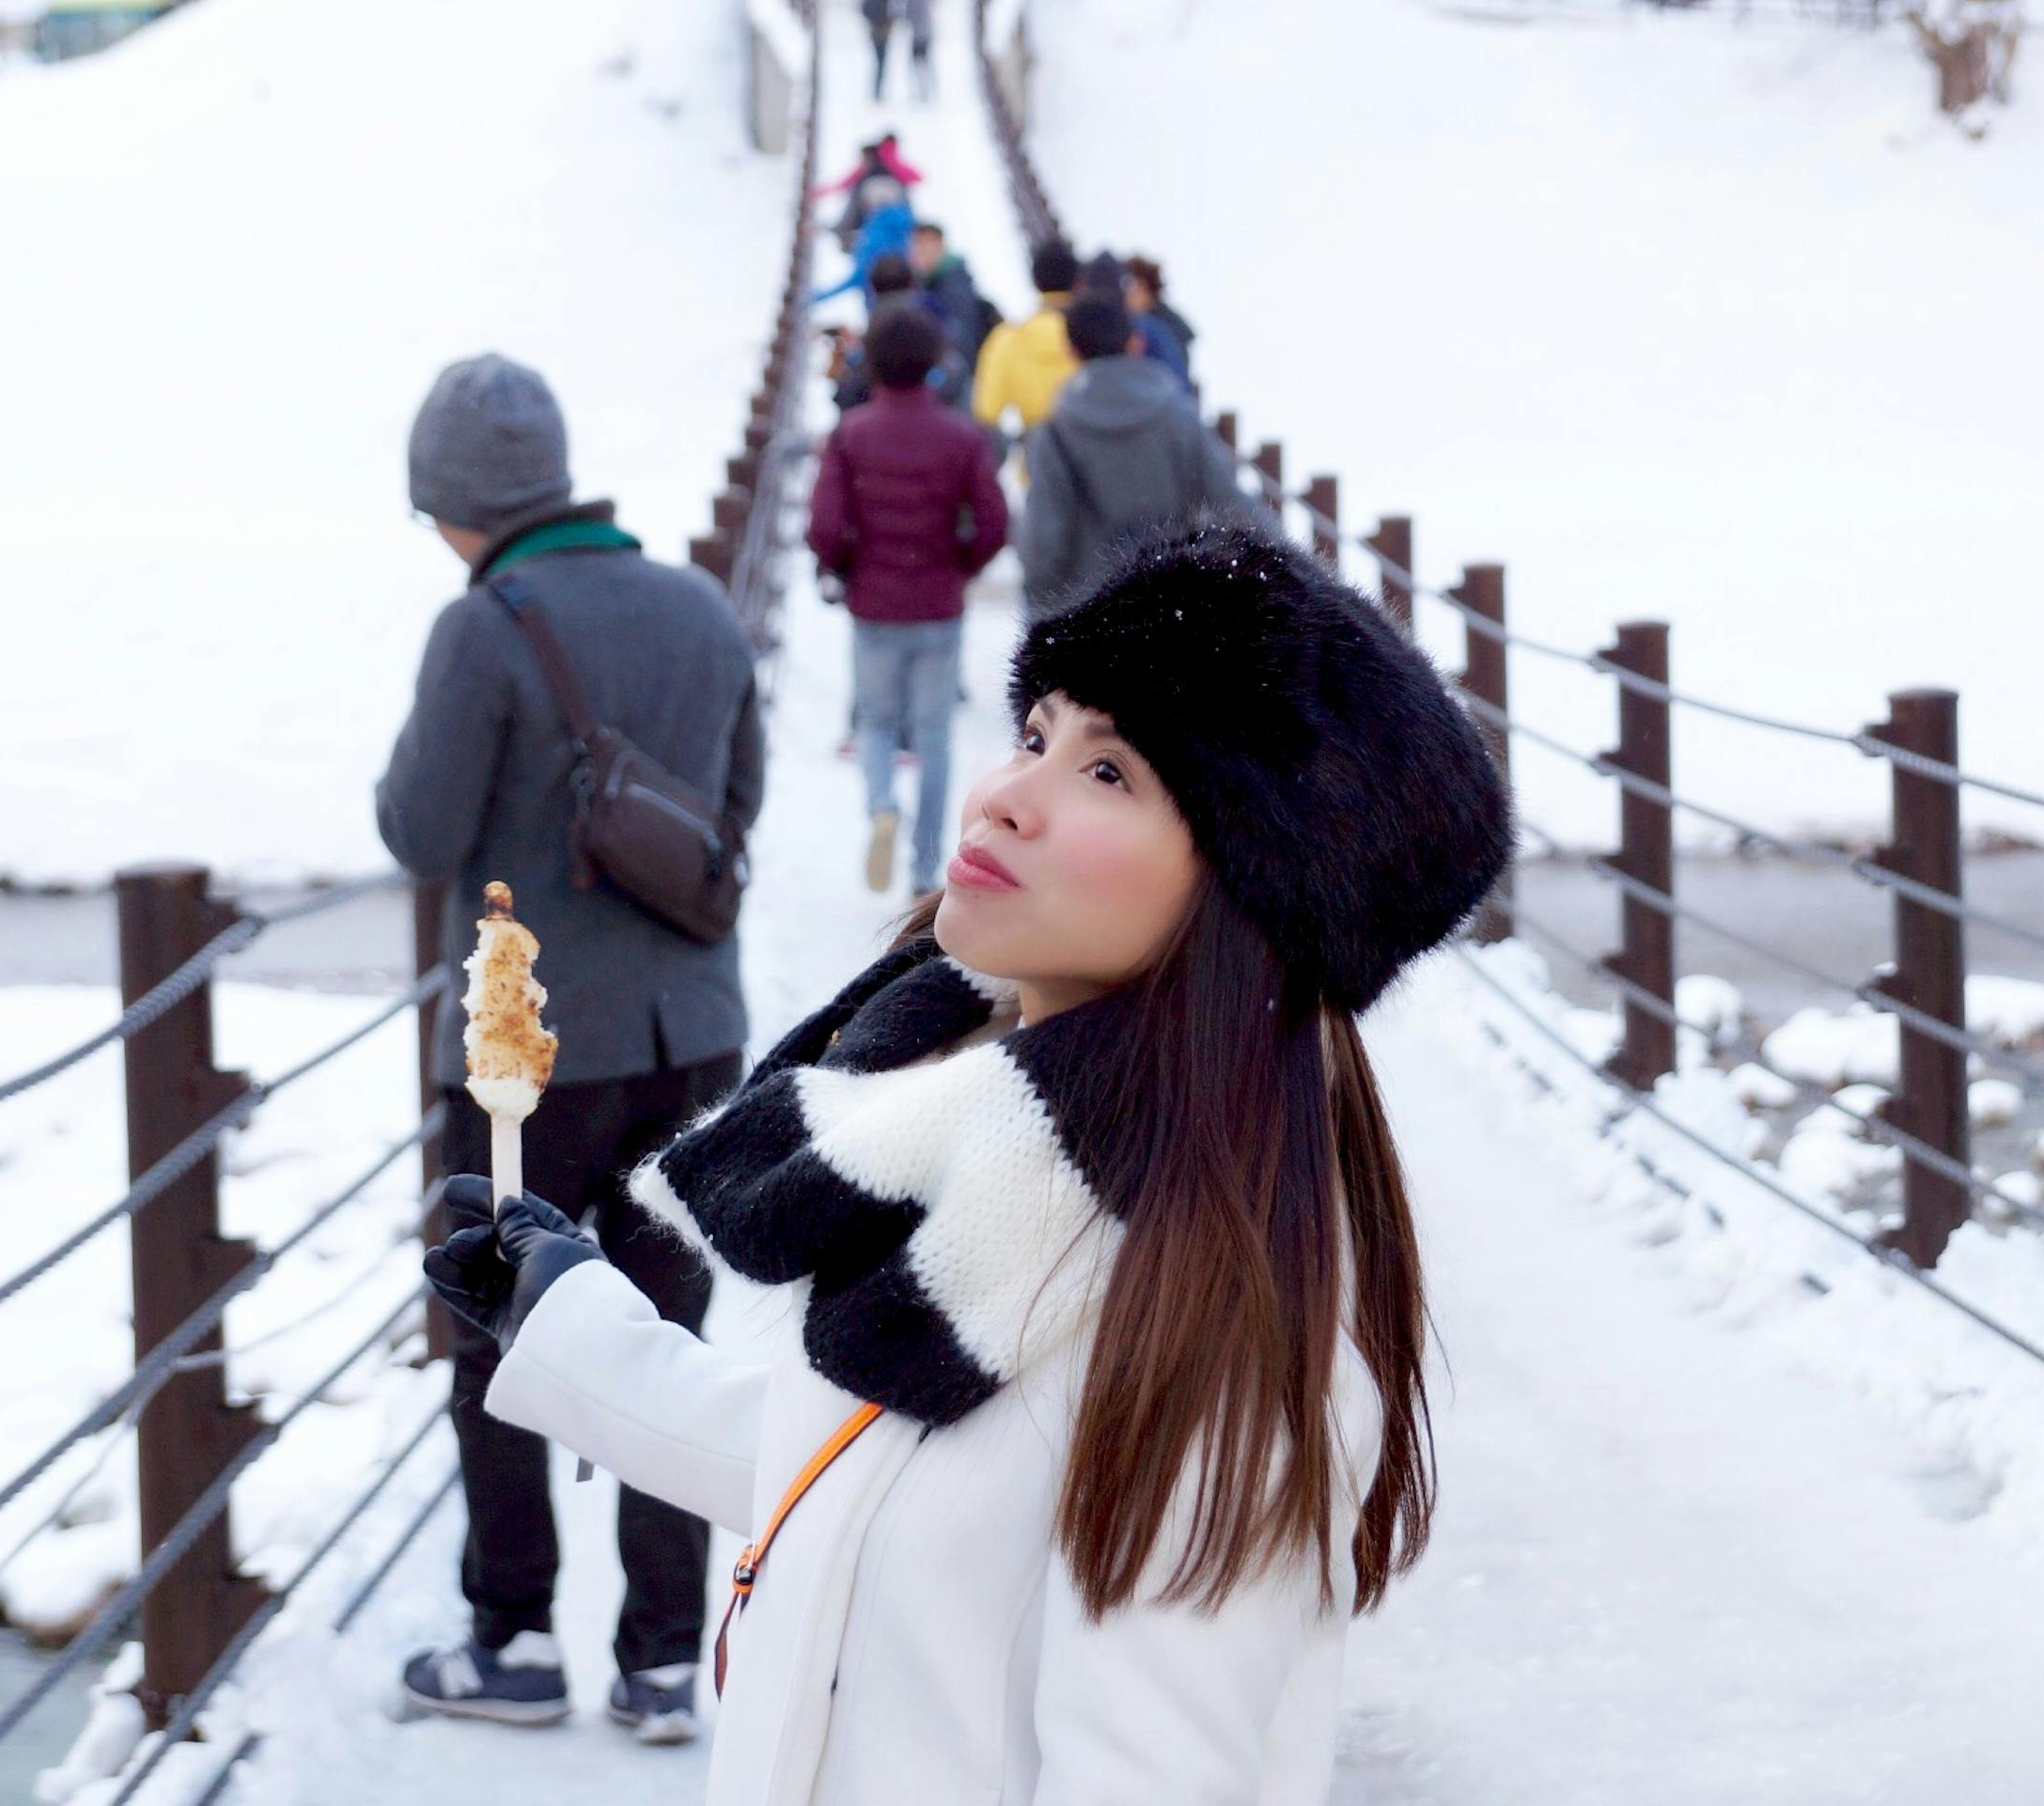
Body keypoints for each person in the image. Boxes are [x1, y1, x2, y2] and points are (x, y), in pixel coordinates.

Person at [426, 522, 1512, 1803]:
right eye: (1040, 733)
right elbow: (871, 1499)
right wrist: (575, 1325)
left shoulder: (1210, 1330)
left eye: (1110, 774)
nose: (1009, 790)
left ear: (1250, 900)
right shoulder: (988, 1156)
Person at [376, 355, 765, 1747]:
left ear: (454, 504)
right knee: (660, 1332)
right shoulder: (699, 608)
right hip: (693, 1039)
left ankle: (516, 1635)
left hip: (519, 1056)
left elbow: (422, 833)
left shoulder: (481, 628)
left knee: (498, 1325)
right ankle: (663, 1661)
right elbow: (735, 809)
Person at [807, 302, 1008, 895]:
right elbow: (995, 522)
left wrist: (844, 569)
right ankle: (924, 866)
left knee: (874, 720)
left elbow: (823, 524)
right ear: (933, 364)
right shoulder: (961, 436)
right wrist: (962, 564)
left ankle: (880, 807)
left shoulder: (851, 434)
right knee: (934, 734)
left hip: (873, 602)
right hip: (938, 603)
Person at [1016, 294, 1250, 614]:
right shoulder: (1176, 417)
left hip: (1089, 614)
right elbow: (1231, 504)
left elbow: (1044, 541)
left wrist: (1042, 603)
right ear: (1135, 343)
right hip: (1173, 607)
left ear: (1070, 351)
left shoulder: (1053, 435)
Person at [971, 239, 1081, 459]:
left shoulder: (1008, 339)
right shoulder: (1098, 334)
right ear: (1078, 281)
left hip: (1039, 460)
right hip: (1100, 459)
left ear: (1034, 281)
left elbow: (986, 409)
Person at [834, 256, 970, 415]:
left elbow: (849, 397)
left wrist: (854, 356)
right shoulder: (936, 319)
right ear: (912, 285)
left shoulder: (876, 335)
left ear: (872, 291)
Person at [906, 222, 997, 361]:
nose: (917, 253)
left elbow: (963, 342)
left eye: (923, 246)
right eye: (915, 247)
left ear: (940, 246)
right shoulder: (926, 286)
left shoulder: (954, 286)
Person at [1120, 255, 1194, 391]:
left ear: (1144, 288)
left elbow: (1176, 379)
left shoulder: (1163, 330)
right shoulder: (1160, 325)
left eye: (1130, 285)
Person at [899, 0, 938, 102]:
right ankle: (925, 90)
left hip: (916, 34)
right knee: (926, 62)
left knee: (916, 63)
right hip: (926, 33)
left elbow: (906, 15)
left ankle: (918, 90)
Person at [861, 0, 899, 102]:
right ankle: (877, 91)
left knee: (880, 61)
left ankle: (878, 91)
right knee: (881, 61)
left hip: (878, 29)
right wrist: (884, 19)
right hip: (880, 29)